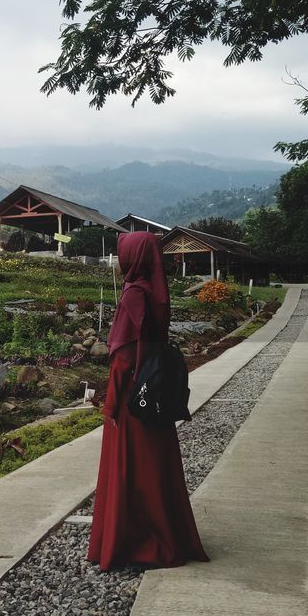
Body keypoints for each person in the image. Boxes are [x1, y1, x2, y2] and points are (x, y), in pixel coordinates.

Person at [88, 232, 208, 571]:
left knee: (132, 469)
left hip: (131, 398)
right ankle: (167, 534)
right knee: (156, 469)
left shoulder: (133, 294)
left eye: (123, 253)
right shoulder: (157, 292)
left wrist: (110, 403)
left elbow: (124, 358)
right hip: (153, 394)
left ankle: (136, 543)